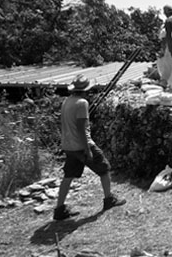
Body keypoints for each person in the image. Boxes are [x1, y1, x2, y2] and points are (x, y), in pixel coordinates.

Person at [54, 75, 126, 220]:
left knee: (68, 176)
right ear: (86, 90)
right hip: (81, 145)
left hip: (68, 145)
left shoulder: (67, 101)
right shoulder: (82, 103)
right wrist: (87, 150)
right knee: (104, 168)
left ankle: (59, 209)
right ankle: (108, 199)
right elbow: (81, 128)